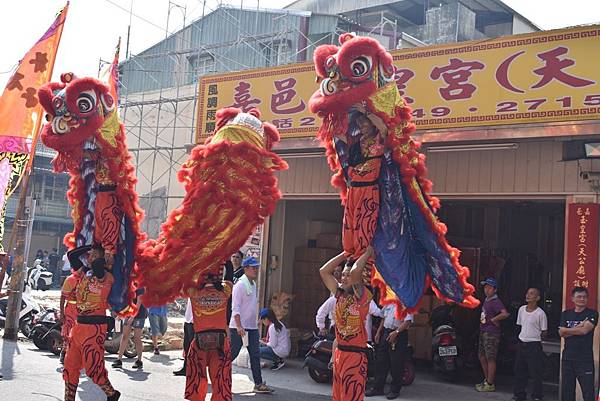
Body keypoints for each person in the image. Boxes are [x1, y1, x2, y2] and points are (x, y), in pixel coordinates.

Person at [62, 244, 121, 401]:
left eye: (94, 256)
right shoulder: (84, 273)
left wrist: (103, 251)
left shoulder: (105, 276)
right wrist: (91, 246)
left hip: (94, 329)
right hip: (78, 327)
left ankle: (112, 394)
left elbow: (97, 265)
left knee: (93, 369)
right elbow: (72, 256)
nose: (90, 258)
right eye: (90, 255)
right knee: (70, 366)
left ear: (102, 260)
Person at [320, 246, 373, 401]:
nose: (343, 278)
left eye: (347, 276)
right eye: (342, 275)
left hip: (355, 355)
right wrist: (345, 254)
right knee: (338, 397)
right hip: (340, 354)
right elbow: (324, 271)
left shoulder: (362, 296)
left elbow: (356, 272)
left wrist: (368, 252)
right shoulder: (339, 294)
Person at [185, 269, 233, 401]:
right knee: (221, 379)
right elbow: (229, 276)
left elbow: (187, 279)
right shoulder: (225, 292)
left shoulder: (194, 293)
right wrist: (225, 261)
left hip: (199, 343)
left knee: (197, 377)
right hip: (221, 344)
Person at [229, 257, 273, 393]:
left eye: (256, 268)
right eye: (253, 268)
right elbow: (235, 308)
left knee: (255, 355)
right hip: (239, 327)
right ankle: (217, 374)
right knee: (232, 354)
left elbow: (251, 306)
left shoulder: (252, 284)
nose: (255, 270)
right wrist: (239, 326)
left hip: (251, 327)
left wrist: (257, 320)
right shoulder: (240, 285)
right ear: (246, 268)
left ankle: (258, 384)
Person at [559, 286, 598, 401]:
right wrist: (578, 327)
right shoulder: (566, 314)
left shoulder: (592, 314)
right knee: (567, 392)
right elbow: (561, 333)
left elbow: (584, 331)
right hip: (568, 359)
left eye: (585, 297)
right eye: (579, 297)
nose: (582, 299)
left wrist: (568, 330)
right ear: (572, 298)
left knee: (588, 392)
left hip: (584, 360)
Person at [366, 304, 412, 399]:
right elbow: (383, 318)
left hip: (399, 334)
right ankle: (378, 388)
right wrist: (378, 332)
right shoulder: (389, 303)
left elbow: (407, 321)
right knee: (381, 361)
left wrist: (396, 333)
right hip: (386, 332)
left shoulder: (407, 303)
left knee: (396, 363)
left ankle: (395, 390)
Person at [511, 287, 547, 401]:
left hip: (534, 345)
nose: (528, 295)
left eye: (532, 294)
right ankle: (519, 394)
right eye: (527, 293)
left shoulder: (541, 313)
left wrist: (536, 339)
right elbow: (520, 325)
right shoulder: (521, 309)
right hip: (522, 343)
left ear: (537, 298)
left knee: (536, 373)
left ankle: (537, 396)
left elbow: (544, 331)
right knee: (519, 371)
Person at [476, 278, 509, 392]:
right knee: (481, 356)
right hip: (483, 330)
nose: (486, 290)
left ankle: (490, 383)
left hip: (491, 333)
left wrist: (494, 319)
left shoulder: (496, 301)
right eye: (485, 287)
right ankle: (487, 380)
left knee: (490, 358)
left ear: (495, 290)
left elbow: (505, 314)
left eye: (489, 288)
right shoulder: (487, 300)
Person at [112, 287, 147, 369]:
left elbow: (139, 302)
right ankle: (119, 359)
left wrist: (132, 317)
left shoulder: (140, 287)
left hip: (139, 314)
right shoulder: (127, 285)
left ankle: (139, 361)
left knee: (136, 338)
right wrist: (121, 314)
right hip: (129, 312)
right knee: (125, 336)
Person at [59, 256, 84, 364]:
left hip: (82, 310)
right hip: (70, 310)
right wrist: (61, 313)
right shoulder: (70, 280)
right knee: (68, 332)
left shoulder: (87, 279)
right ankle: (64, 353)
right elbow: (63, 297)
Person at [174, 298, 194, 376]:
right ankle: (186, 368)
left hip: (194, 321)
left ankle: (193, 369)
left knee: (193, 348)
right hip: (188, 320)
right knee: (186, 346)